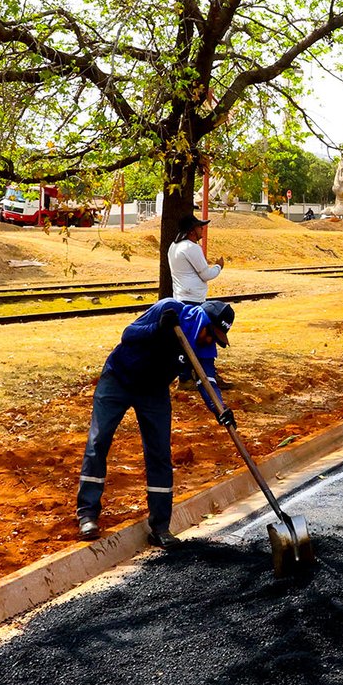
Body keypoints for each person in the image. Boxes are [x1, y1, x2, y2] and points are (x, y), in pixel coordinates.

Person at [75, 298, 235, 545]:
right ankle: (87, 514)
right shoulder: (169, 310)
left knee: (160, 453)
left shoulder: (202, 346)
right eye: (211, 334)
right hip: (119, 378)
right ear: (203, 321)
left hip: (154, 391)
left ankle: (160, 527)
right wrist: (158, 327)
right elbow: (128, 335)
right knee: (99, 440)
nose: (210, 341)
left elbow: (207, 380)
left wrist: (220, 410)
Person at [168, 213, 224, 304]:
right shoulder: (191, 247)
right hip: (193, 299)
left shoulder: (174, 246)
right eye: (199, 227)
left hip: (180, 296)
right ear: (192, 231)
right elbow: (206, 275)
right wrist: (218, 266)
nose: (202, 229)